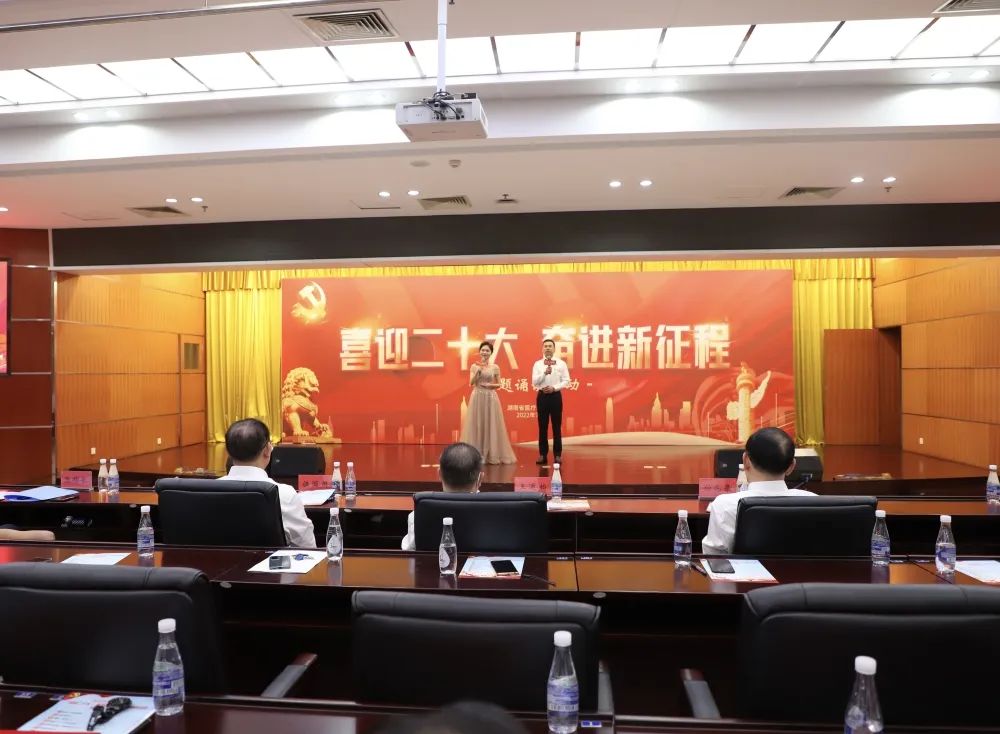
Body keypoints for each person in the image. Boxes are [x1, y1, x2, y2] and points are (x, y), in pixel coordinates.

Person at [701, 427, 814, 555]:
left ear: (745, 460)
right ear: (791, 466)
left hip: (745, 569)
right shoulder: (813, 501)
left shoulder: (725, 504)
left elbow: (714, 558)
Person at [219, 418, 316, 548]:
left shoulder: (208, 490)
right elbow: (307, 546)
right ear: (267, 450)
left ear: (228, 452)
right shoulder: (284, 494)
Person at [401, 442, 483, 551]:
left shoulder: (419, 515)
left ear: (439, 474)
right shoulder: (493, 513)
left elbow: (409, 550)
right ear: (480, 478)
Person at [460, 342, 515, 465]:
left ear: (491, 353)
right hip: (477, 396)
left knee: (491, 423)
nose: (484, 352)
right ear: (479, 352)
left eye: (487, 351)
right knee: (477, 423)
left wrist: (491, 386)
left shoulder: (495, 367)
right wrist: (478, 371)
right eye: (483, 350)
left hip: (490, 396)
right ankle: (476, 453)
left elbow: (499, 384)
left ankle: (491, 453)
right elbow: (471, 383)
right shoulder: (474, 366)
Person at [531, 338, 570, 465]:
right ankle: (542, 455)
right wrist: (544, 373)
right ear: (542, 349)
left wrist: (554, 388)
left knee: (556, 426)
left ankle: (557, 455)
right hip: (542, 396)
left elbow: (566, 380)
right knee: (542, 426)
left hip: (555, 396)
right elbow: (534, 381)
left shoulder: (561, 364)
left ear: (554, 349)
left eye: (550, 346)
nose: (548, 348)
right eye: (545, 346)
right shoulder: (538, 364)